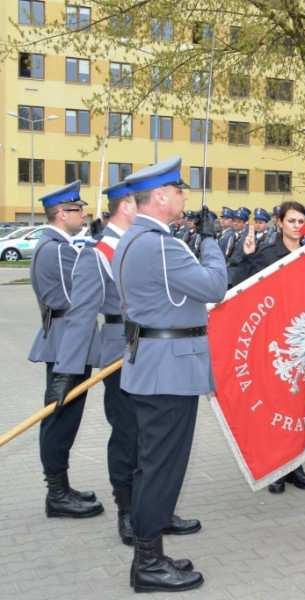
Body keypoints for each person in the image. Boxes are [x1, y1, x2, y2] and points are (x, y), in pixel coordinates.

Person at [52, 181, 202, 547]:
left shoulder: (147, 242)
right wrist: (66, 371)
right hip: (121, 354)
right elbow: (82, 315)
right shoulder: (98, 253)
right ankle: (127, 510)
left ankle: (156, 511)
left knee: (154, 442)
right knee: (128, 435)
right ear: (128, 208)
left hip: (152, 351)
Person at [114, 156, 227, 592]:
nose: (184, 196)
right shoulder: (159, 244)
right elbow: (213, 287)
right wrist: (211, 241)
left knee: (151, 465)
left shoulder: (131, 238)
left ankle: (152, 553)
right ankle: (147, 563)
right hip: (169, 369)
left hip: (152, 364)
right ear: (160, 197)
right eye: (178, 190)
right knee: (162, 468)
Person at [27, 180, 104, 520]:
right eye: (78, 209)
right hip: (66, 342)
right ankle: (56, 494)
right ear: (61, 214)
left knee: (65, 419)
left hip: (70, 339)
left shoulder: (61, 246)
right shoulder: (56, 249)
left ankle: (62, 487)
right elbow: (79, 298)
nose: (84, 213)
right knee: (59, 420)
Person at [231, 201, 305, 494]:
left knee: (299, 407)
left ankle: (297, 465)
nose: (296, 225)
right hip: (274, 341)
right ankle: (276, 469)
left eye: (300, 221)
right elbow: (239, 288)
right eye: (291, 220)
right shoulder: (267, 255)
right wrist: (245, 257)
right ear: (279, 223)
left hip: (303, 338)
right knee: (277, 403)